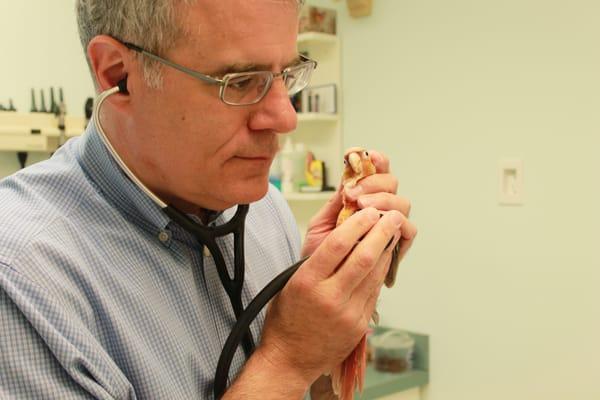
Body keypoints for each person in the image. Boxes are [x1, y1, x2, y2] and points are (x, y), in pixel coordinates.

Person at [0, 0, 417, 399]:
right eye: (239, 82)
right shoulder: (21, 278)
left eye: (287, 74)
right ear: (118, 75)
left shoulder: (264, 210)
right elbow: (291, 367)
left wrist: (337, 304)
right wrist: (287, 357)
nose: (286, 118)